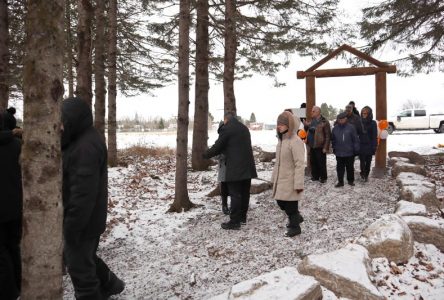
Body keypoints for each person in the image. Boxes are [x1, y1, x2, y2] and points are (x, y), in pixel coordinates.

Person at [62, 98, 124, 299]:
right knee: (84, 258)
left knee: (80, 271)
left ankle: (98, 291)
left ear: (74, 120)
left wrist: (71, 227)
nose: (60, 127)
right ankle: (111, 284)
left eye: (63, 121)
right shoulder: (80, 140)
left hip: (83, 221)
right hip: (87, 219)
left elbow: (83, 195)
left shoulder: (85, 148)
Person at [203, 111, 257, 230]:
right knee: (244, 193)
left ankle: (234, 221)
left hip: (235, 168)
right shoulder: (244, 128)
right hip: (247, 166)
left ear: (225, 119)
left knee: (235, 194)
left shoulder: (227, 129)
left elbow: (218, 146)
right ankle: (242, 217)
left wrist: (205, 155)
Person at [0, 111, 22, 300]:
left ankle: (9, 293)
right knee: (13, 247)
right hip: (16, 207)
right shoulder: (18, 145)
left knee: (2, 253)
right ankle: (19, 284)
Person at [271, 111, 305, 237]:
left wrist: (298, 183)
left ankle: (295, 227)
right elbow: (278, 163)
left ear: (289, 125)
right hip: (281, 179)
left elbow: (300, 164)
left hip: (291, 180)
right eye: (278, 123)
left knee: (290, 206)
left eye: (282, 124)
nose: (278, 126)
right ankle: (296, 217)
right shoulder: (281, 140)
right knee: (280, 202)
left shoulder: (295, 141)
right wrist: (273, 178)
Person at [304, 106, 331, 183]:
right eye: (312, 111)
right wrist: (306, 125)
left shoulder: (324, 121)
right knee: (313, 162)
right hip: (312, 145)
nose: (311, 112)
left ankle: (323, 177)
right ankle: (315, 176)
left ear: (318, 112)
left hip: (320, 145)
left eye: (313, 111)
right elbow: (310, 129)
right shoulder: (313, 120)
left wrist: (326, 147)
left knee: (321, 163)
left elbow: (328, 135)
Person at [331, 112, 360, 187]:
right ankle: (340, 182)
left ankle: (350, 181)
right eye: (339, 119)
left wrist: (356, 150)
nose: (340, 121)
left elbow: (355, 140)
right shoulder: (335, 128)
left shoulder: (351, 127)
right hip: (339, 152)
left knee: (349, 168)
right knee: (339, 168)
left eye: (342, 119)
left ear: (345, 119)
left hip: (349, 152)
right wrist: (334, 148)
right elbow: (333, 140)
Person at [358, 106, 378, 182]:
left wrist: (374, 146)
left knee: (368, 162)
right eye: (363, 113)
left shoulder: (373, 123)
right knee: (362, 161)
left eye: (365, 113)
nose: (364, 114)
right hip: (361, 144)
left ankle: (366, 174)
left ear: (369, 113)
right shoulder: (359, 122)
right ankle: (363, 173)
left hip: (369, 145)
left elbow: (374, 135)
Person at [216, 121, 229, 215]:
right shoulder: (219, 140)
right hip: (223, 168)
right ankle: (224, 206)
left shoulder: (233, 138)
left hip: (233, 167)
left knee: (234, 188)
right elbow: (214, 154)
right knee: (224, 188)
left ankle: (234, 206)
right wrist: (222, 155)